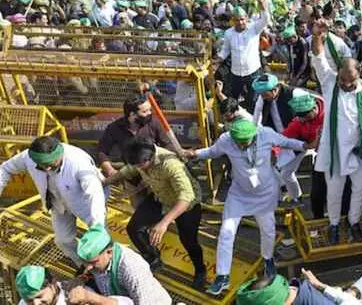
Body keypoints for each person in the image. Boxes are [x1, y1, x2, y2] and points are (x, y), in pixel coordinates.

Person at [184, 119, 315, 295]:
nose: (243, 145)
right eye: (239, 143)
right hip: (239, 195)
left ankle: (267, 259)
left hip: (265, 193)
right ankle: (223, 276)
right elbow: (212, 152)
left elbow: (286, 142)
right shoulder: (226, 140)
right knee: (226, 232)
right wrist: (195, 154)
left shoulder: (265, 133)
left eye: (246, 141)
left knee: (268, 230)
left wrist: (306, 145)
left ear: (254, 135)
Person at [309, 19, 362, 245]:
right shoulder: (330, 81)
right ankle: (334, 224)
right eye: (343, 80)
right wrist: (316, 36)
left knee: (360, 190)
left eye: (350, 81)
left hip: (359, 151)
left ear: (359, 74)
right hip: (333, 152)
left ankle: (353, 222)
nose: (345, 84)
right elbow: (319, 58)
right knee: (334, 192)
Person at [103, 137, 206, 289]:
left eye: (139, 165)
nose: (138, 168)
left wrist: (163, 224)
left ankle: (200, 271)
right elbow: (128, 170)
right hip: (160, 198)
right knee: (134, 228)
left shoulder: (171, 165)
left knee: (189, 241)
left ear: (149, 159)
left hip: (185, 205)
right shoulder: (140, 159)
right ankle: (153, 258)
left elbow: (186, 197)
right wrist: (105, 182)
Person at [0, 136, 106, 266]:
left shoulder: (78, 161)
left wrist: (97, 225)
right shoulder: (27, 157)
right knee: (63, 241)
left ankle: (107, 268)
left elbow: (94, 194)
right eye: (42, 166)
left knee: (98, 240)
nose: (47, 169)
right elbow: (5, 169)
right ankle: (85, 267)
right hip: (58, 202)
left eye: (50, 164)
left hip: (85, 201)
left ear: (59, 154)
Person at [76, 225, 172, 304]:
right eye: (85, 262)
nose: (88, 267)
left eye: (93, 262)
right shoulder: (97, 260)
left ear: (109, 252)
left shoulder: (132, 268)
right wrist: (79, 280)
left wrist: (92, 298)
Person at [215, 0, 268, 112]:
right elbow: (225, 50)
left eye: (242, 19)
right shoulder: (228, 33)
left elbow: (265, 19)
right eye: (237, 20)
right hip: (236, 73)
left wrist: (261, 2)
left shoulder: (254, 28)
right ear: (233, 21)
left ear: (246, 18)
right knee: (233, 100)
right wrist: (217, 59)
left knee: (254, 101)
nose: (240, 22)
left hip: (253, 72)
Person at [282, 92, 326, 215]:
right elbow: (285, 136)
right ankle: (297, 198)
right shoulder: (300, 120)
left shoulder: (328, 117)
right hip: (306, 144)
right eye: (300, 117)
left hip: (327, 152)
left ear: (314, 108)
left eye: (305, 117)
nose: (302, 120)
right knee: (285, 172)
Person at [15, 265, 134, 305]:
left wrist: (91, 298)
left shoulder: (76, 297)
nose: (35, 304)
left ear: (53, 282)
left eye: (39, 297)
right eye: (29, 300)